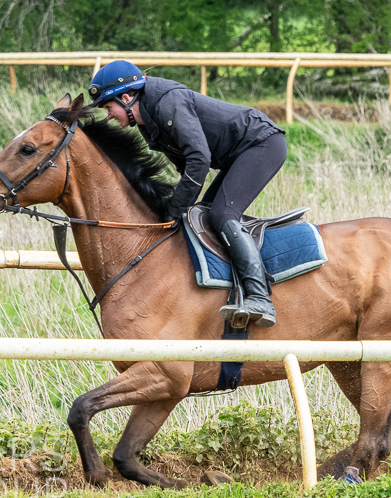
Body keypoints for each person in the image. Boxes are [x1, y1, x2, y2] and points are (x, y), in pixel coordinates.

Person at [88, 60, 287, 328]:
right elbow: (188, 167)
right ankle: (228, 291)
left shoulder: (166, 103)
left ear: (126, 98)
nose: (108, 116)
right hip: (237, 154)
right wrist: (178, 210)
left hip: (262, 143)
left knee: (221, 214)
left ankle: (260, 298)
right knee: (203, 217)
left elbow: (199, 159)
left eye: (108, 107)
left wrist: (174, 210)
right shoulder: (148, 119)